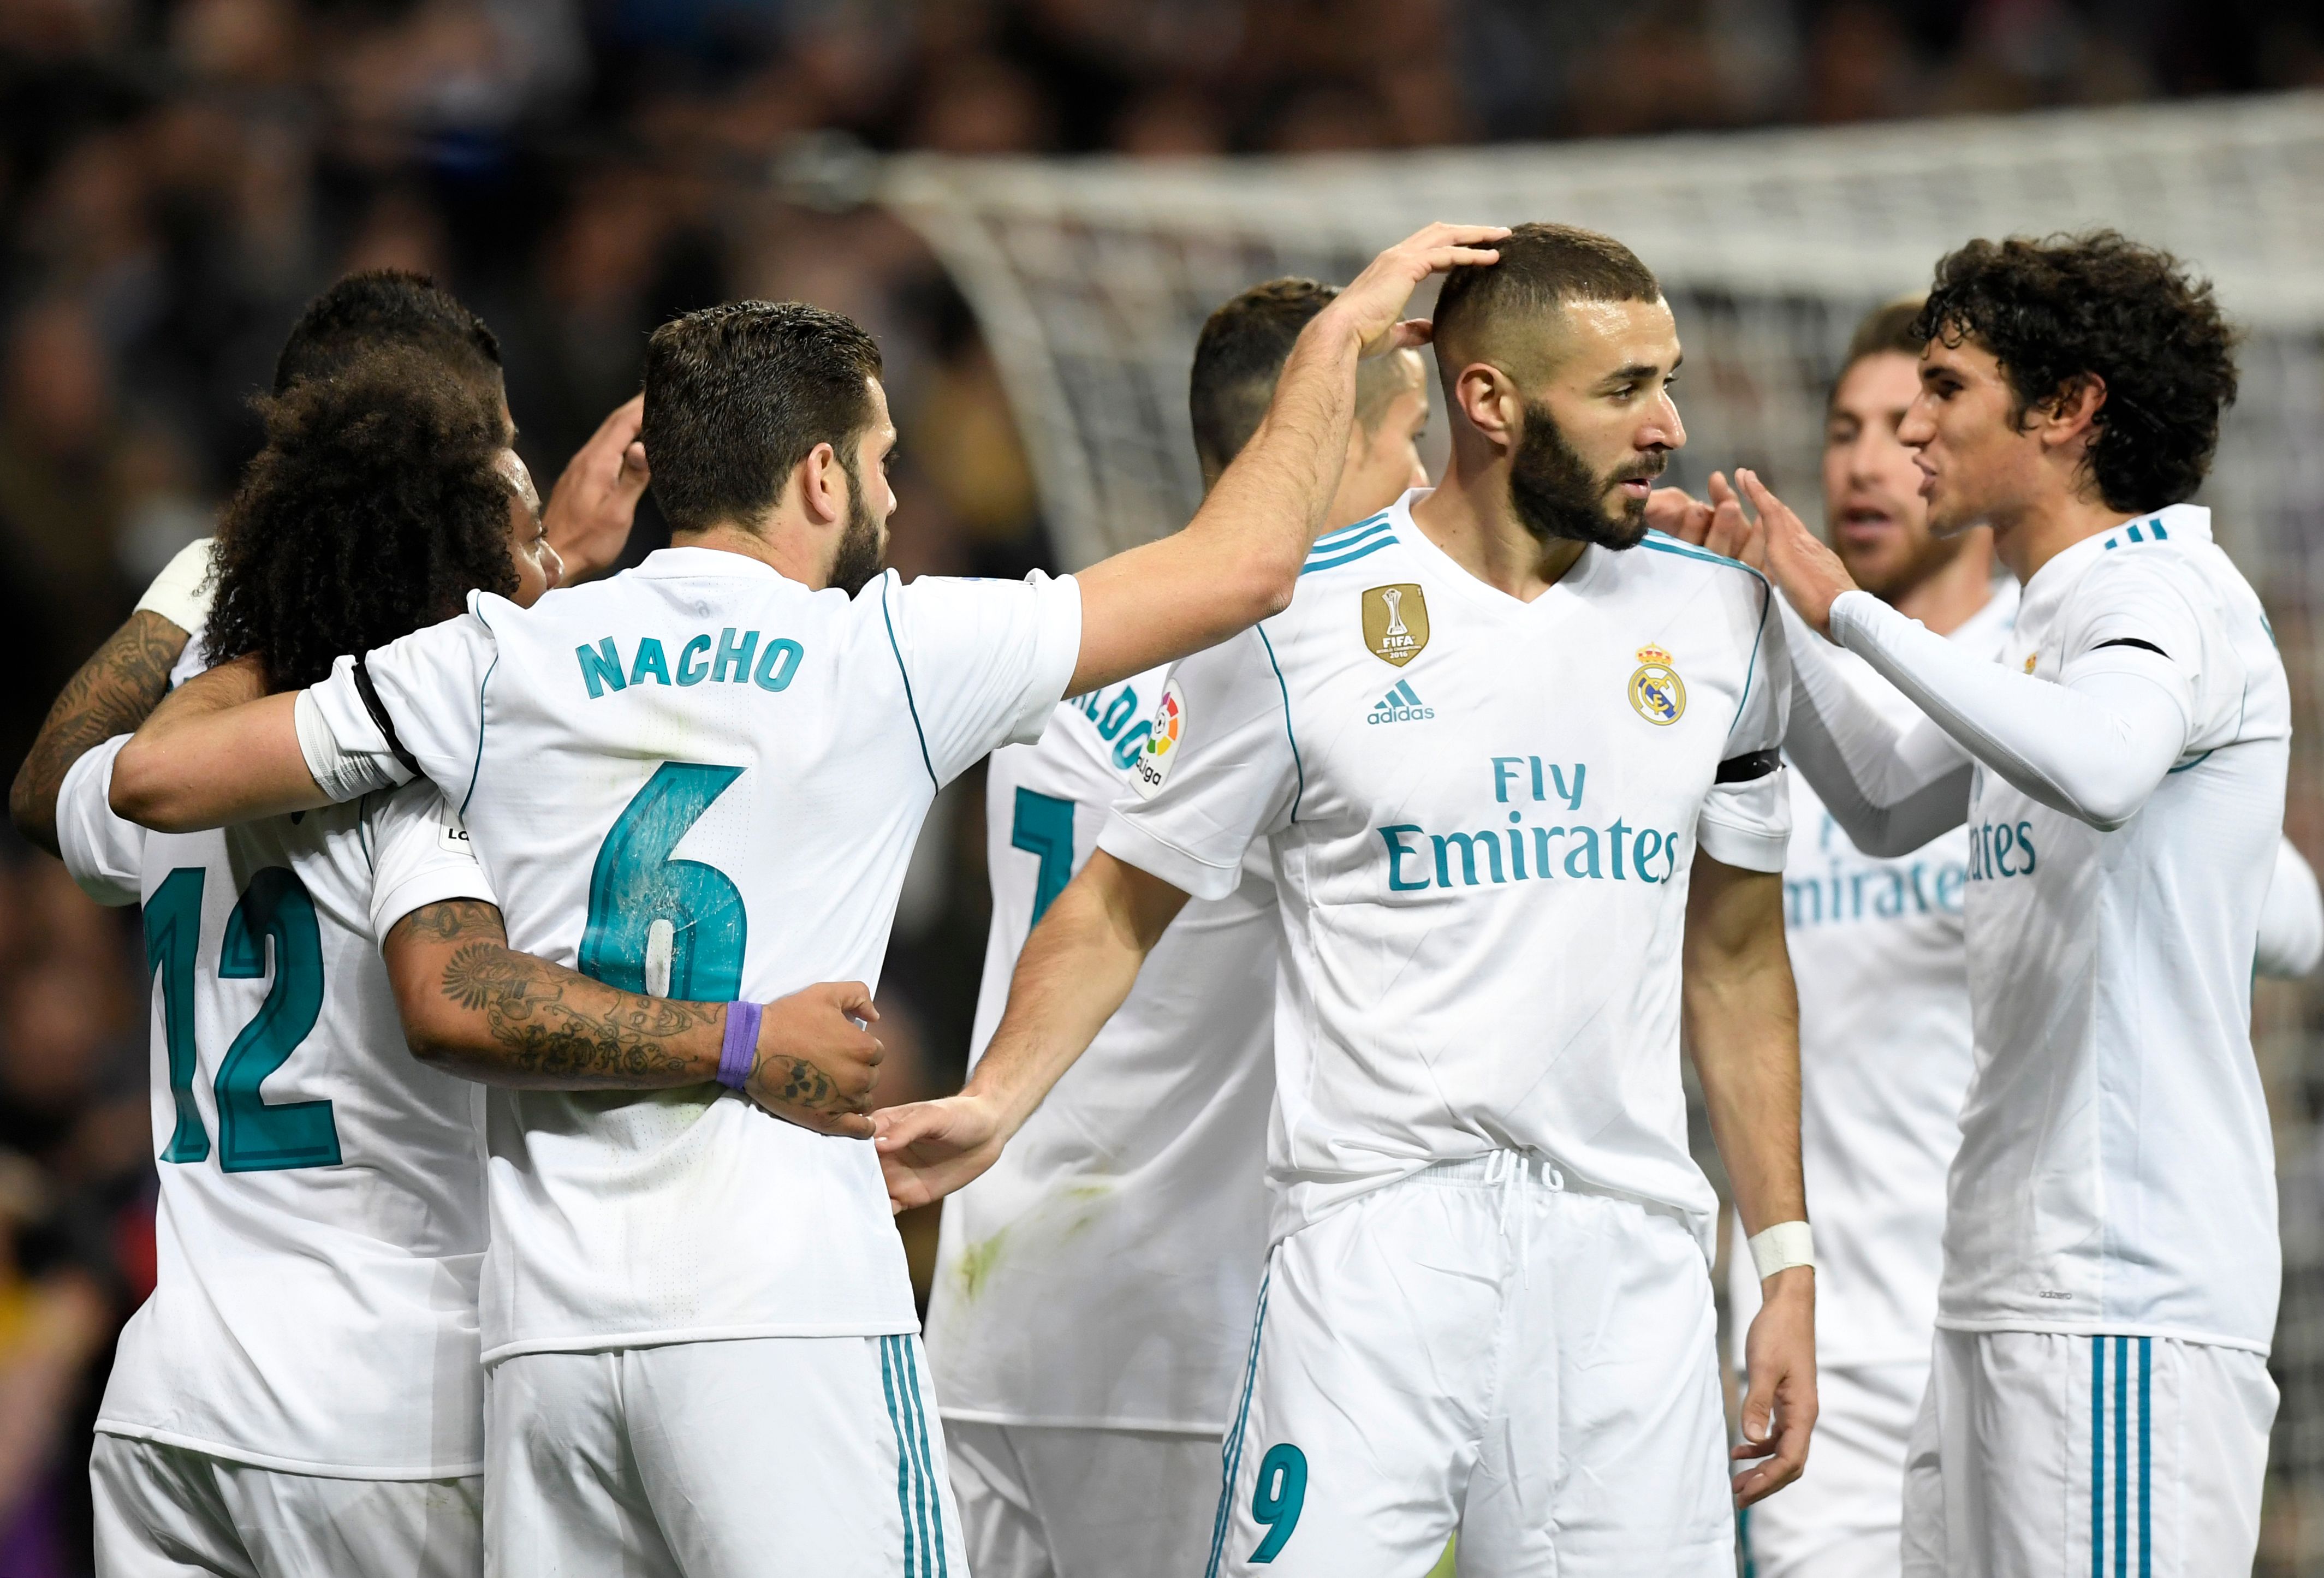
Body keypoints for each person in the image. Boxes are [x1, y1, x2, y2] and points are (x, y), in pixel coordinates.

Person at [106, 223, 1507, 1577]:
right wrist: (1337, 341)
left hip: (544, 1343)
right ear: (822, 477)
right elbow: (1248, 568)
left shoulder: (492, 658)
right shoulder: (886, 654)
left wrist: (399, 579)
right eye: (884, 462)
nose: (895, 498)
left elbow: (154, 780)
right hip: (781, 1313)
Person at [874, 221, 1817, 1576]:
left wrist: (1782, 1259)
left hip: (1630, 1259)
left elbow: (1733, 961)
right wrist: (994, 1101)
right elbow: (1118, 902)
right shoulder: (1297, 620)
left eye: (1664, 379)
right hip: (1373, 1248)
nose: (1668, 423)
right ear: (1486, 402)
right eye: (1624, 389)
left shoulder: (1717, 614)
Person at [49, 348, 870, 1578]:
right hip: (383, 1409)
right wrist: (742, 1041)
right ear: (443, 577)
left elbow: (50, 780)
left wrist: (215, 580)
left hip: (170, 1403)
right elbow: (450, 991)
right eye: (517, 543)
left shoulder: (151, 789)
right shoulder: (417, 783)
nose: (533, 574)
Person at [1719, 232, 2289, 1576]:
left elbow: (2097, 767)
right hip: (1994, 1289)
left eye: (1944, 388)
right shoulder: (2048, 616)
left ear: (2065, 409)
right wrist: (1758, 608)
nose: (1910, 425)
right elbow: (1875, 801)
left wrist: (1850, 614)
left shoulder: (2163, 592)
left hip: (2121, 1297)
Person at [927, 275, 1431, 1576]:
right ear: (1314, 440)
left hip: (993, 1305)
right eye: (1402, 439)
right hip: (1170, 1333)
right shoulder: (1300, 677)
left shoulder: (1065, 637)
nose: (1424, 478)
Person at [8, 267, 652, 862]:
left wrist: (207, 577)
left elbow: (52, 797)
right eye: (488, 446)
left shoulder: (193, 721)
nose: (506, 478)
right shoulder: (438, 718)